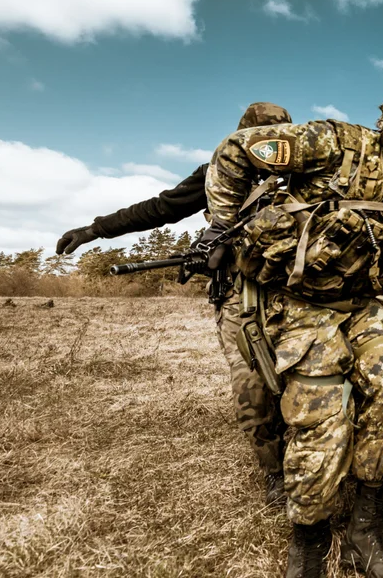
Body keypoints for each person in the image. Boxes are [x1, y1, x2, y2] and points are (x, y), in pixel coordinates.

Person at [205, 78, 383, 578]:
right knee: (320, 413)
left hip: (363, 304)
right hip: (300, 302)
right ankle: (307, 541)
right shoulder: (334, 146)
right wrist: (221, 227)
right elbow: (233, 153)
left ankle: (365, 531)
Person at [55, 102, 293, 506]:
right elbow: (160, 208)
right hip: (238, 297)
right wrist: (96, 229)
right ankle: (275, 473)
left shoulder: (308, 176)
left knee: (301, 383)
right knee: (251, 387)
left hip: (294, 297)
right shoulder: (216, 174)